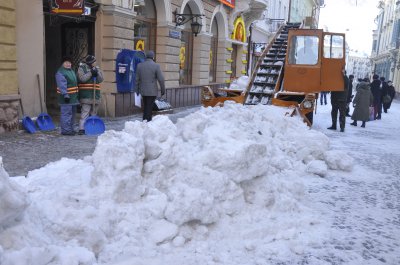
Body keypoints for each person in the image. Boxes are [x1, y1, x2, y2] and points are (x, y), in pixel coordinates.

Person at [77, 55, 104, 135]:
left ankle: (92, 128)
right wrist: (91, 73)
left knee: (94, 112)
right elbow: (82, 79)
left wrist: (97, 73)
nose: (95, 63)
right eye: (94, 61)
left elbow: (101, 79)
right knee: (85, 112)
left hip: (95, 95)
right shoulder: (82, 68)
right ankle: (81, 129)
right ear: (90, 62)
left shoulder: (97, 68)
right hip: (86, 95)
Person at [135, 50, 165, 122]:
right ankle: (147, 121)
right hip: (152, 91)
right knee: (149, 106)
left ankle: (145, 120)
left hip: (143, 90)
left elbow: (136, 80)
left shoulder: (139, 65)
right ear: (153, 57)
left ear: (146, 57)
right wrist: (163, 90)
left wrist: (137, 91)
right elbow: (161, 79)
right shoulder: (156, 66)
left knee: (146, 105)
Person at [55, 56, 79, 135]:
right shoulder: (61, 72)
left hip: (73, 98)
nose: (68, 64)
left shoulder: (71, 71)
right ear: (63, 63)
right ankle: (65, 130)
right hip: (66, 98)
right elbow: (62, 85)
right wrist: (65, 95)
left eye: (69, 62)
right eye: (66, 62)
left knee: (72, 115)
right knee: (66, 115)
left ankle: (71, 129)